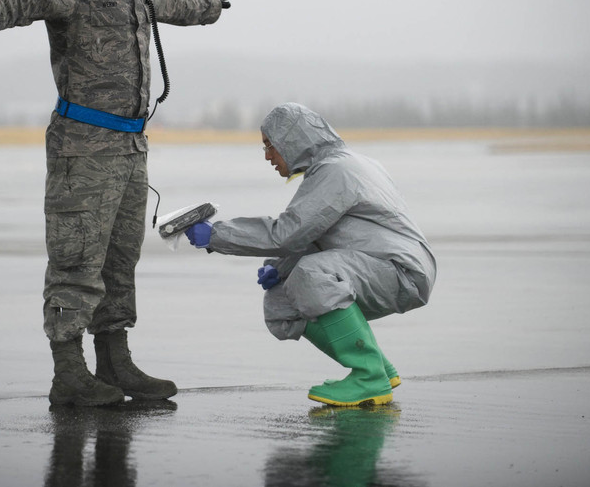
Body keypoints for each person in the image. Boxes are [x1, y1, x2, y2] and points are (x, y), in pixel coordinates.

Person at [0, 0, 230, 407]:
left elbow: (179, 1)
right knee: (77, 259)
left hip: (129, 147)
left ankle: (115, 362)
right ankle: (69, 374)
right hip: (83, 144)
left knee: (119, 260)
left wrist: (211, 4)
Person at [184, 103, 436, 407]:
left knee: (311, 275)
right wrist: (280, 268)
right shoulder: (342, 165)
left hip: (400, 270)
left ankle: (368, 376)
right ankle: (381, 368)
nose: (267, 156)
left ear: (293, 139)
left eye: (269, 145)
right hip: (382, 265)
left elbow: (288, 232)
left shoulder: (336, 171)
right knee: (281, 302)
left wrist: (215, 235)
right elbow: (317, 233)